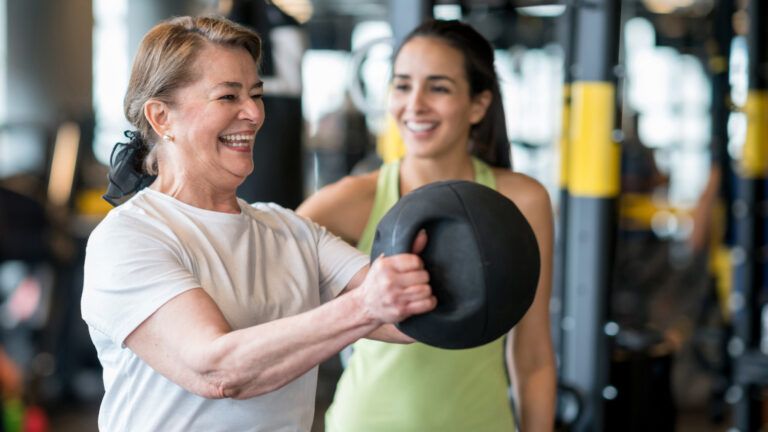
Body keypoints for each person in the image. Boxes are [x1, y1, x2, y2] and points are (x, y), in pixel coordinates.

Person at [80, 15, 436, 431]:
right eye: (228, 97)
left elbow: (402, 317)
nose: (252, 113)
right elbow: (216, 369)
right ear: (161, 117)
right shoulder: (130, 237)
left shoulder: (292, 231)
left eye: (256, 94)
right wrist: (363, 305)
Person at [298, 19, 556, 432]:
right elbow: (272, 293)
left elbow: (533, 355)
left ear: (478, 104)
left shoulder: (523, 201)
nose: (414, 105)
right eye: (402, 86)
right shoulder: (350, 201)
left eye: (438, 87)